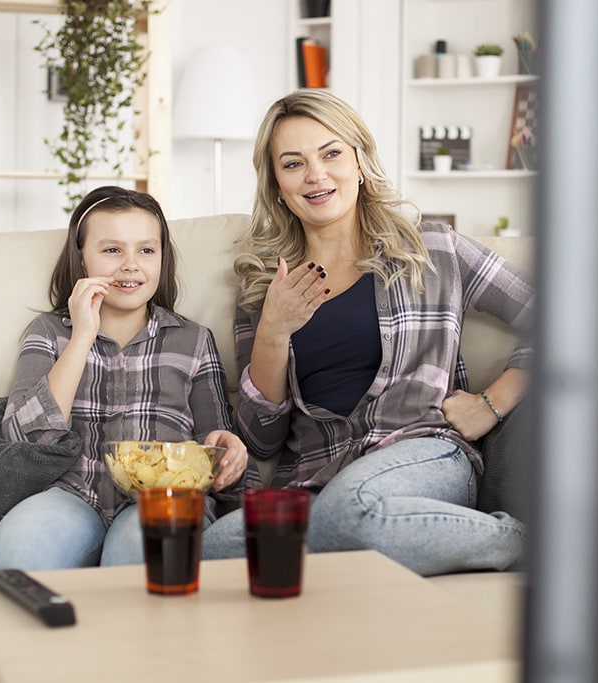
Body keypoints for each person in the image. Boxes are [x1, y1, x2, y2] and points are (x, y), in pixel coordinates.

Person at [201, 90, 533, 576]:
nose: (316, 175)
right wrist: (272, 330)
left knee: (347, 513)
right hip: (317, 479)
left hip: (424, 454)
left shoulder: (433, 248)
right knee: (215, 551)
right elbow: (261, 440)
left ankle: (523, 543)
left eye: (331, 153)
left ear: (359, 162)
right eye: (293, 164)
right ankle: (370, 548)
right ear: (276, 184)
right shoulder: (262, 284)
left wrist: (492, 402)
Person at [0, 186, 247, 572]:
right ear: (82, 258)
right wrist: (82, 337)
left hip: (163, 497)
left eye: (146, 250)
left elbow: (215, 446)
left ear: (162, 258)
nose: (130, 265)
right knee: (14, 559)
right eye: (111, 250)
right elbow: (24, 438)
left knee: (143, 560)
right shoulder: (50, 333)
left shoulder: (194, 340)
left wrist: (229, 452)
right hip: (70, 493)